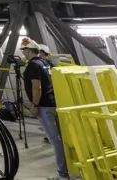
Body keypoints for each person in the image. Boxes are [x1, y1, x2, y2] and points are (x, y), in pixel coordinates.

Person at [21, 40, 68, 180]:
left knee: (55, 140)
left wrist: (34, 105)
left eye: (24, 50)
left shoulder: (32, 66)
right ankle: (71, 168)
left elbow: (37, 87)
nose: (22, 53)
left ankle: (63, 174)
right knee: (63, 138)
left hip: (44, 107)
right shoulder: (48, 63)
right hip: (55, 104)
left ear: (29, 51)